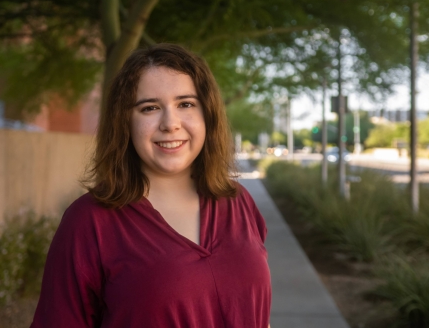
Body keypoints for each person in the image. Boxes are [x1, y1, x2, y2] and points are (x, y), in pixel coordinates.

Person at [30, 43, 271, 328]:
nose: (170, 123)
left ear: (207, 115)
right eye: (149, 108)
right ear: (125, 122)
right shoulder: (89, 223)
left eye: (186, 104)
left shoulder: (238, 201)